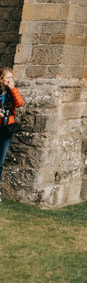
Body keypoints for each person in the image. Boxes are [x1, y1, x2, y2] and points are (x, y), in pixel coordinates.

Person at [0, 68, 23, 201]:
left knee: (0, 162)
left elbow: (19, 103)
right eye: (8, 78)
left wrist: (13, 88)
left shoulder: (11, 93)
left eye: (12, 77)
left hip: (6, 130)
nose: (10, 80)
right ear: (1, 80)